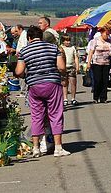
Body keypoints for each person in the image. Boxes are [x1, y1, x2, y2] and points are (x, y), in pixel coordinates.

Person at [15, 26, 70, 158]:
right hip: (52, 84)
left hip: (34, 86)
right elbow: (61, 67)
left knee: (36, 116)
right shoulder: (53, 48)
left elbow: (19, 72)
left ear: (29, 38)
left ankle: (36, 148)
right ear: (41, 36)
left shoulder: (24, 51)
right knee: (56, 115)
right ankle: (58, 148)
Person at [86, 28, 111, 104]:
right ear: (101, 33)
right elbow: (91, 52)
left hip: (106, 63)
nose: (107, 36)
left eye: (108, 34)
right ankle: (96, 97)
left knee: (105, 81)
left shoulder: (109, 41)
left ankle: (103, 97)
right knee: (97, 80)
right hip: (96, 63)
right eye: (106, 34)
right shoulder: (95, 41)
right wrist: (88, 63)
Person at [60, 35, 79, 106]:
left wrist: (77, 66)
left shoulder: (73, 48)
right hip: (64, 67)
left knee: (73, 83)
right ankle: (65, 98)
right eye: (66, 40)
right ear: (63, 41)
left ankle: (73, 98)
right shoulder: (61, 48)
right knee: (64, 84)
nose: (68, 42)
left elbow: (76, 57)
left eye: (69, 40)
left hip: (71, 67)